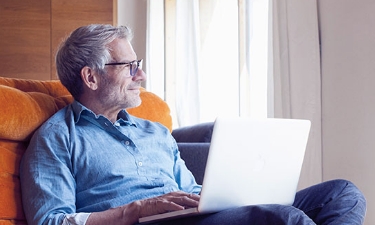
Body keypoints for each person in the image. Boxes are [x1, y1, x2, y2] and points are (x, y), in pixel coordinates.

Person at [20, 24, 366, 225]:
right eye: (130, 66)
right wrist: (133, 211)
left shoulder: (154, 132)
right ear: (91, 77)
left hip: (192, 216)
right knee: (281, 219)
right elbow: (52, 221)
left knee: (342, 195)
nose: (141, 75)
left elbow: (191, 188)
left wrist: (233, 195)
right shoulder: (58, 138)